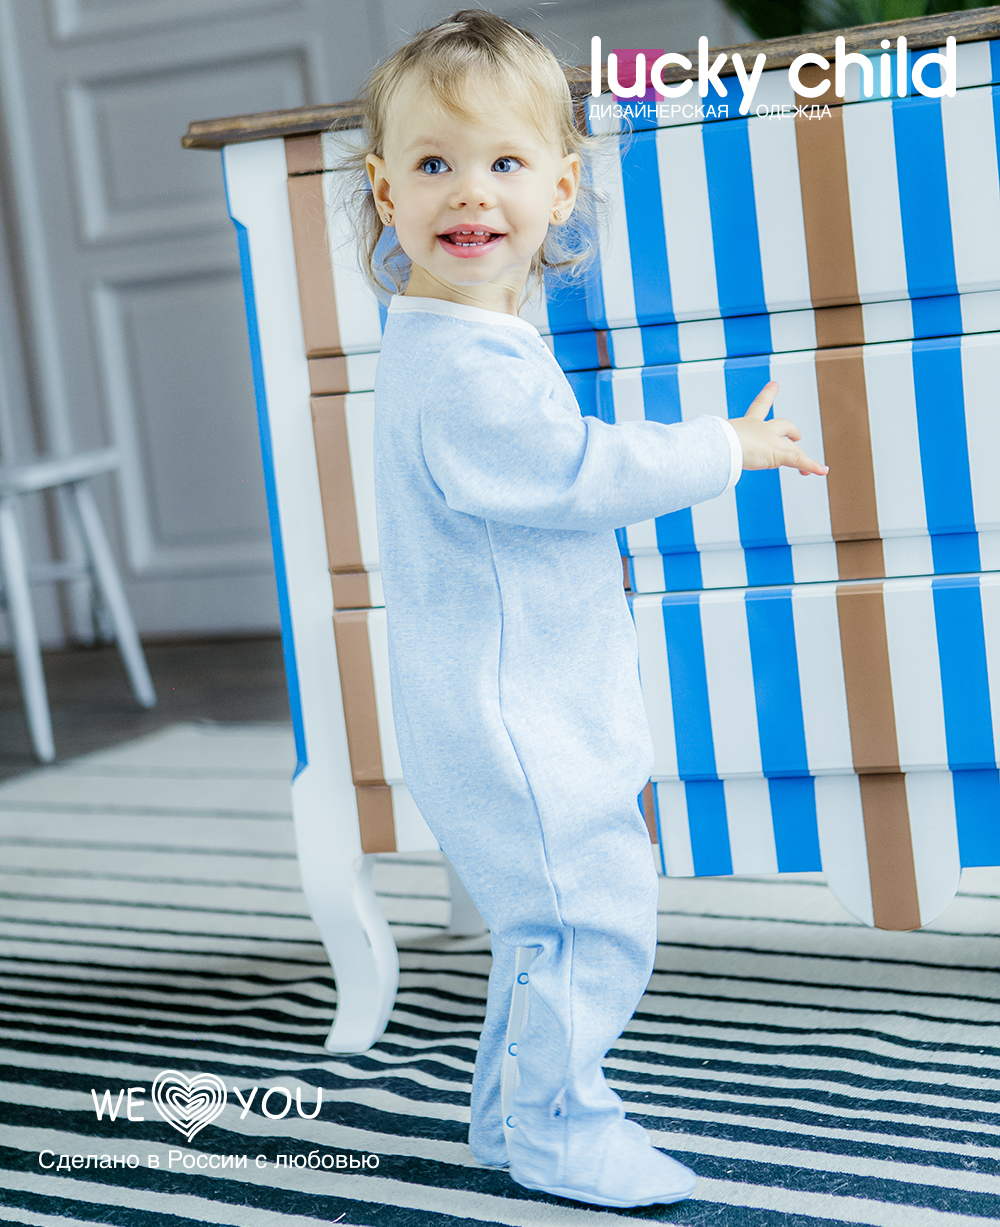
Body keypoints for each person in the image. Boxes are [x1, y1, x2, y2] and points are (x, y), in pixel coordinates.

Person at [346, 9, 828, 1208]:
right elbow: (576, 472)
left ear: (559, 190)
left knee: (545, 927)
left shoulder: (460, 338)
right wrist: (724, 446)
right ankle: (561, 1132)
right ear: (386, 192)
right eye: (434, 163)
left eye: (504, 162)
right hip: (513, 718)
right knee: (586, 924)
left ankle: (511, 1118)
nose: (471, 191)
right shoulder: (463, 368)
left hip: (517, 699)